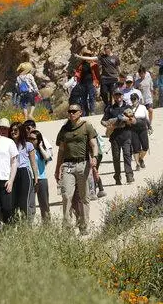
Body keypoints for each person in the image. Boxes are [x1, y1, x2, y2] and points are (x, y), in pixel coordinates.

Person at [55, 104, 98, 234]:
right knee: (66, 195)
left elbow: (93, 144)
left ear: (80, 112)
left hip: (83, 164)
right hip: (68, 165)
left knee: (84, 197)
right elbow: (61, 150)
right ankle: (67, 228)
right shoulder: (64, 129)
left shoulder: (86, 126)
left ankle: (84, 226)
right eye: (70, 111)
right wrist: (57, 168)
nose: (71, 113)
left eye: (74, 111)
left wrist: (94, 157)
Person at [101, 88, 136, 185]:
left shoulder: (128, 107)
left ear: (122, 96)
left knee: (127, 156)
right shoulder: (110, 108)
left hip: (126, 135)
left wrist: (127, 119)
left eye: (120, 95)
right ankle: (117, 177)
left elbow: (134, 121)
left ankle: (129, 176)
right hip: (114, 136)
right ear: (113, 97)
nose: (118, 97)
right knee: (116, 158)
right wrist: (109, 125)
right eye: (116, 95)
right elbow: (102, 121)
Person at [9, 122, 38, 221]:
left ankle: (27, 225)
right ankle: (14, 224)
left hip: (25, 172)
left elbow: (33, 163)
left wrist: (36, 178)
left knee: (24, 201)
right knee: (12, 201)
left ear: (21, 131)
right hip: (12, 173)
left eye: (15, 130)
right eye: (12, 130)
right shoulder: (8, 144)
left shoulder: (28, 145)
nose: (13, 132)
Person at [28, 131, 51, 221]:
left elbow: (47, 157)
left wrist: (40, 147)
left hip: (42, 178)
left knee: (44, 204)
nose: (31, 141)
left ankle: (47, 225)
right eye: (29, 139)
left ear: (38, 140)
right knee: (30, 204)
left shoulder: (41, 151)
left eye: (33, 139)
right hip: (30, 178)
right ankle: (29, 224)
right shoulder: (27, 150)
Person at [74, 47, 100, 116]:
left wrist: (97, 83)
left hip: (91, 83)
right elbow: (78, 73)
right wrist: (76, 78)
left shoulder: (94, 64)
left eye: (88, 55)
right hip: (82, 83)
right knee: (83, 98)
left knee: (92, 97)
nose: (87, 56)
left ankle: (92, 111)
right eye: (85, 54)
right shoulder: (81, 64)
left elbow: (97, 74)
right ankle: (85, 113)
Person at [130, 93, 151, 171]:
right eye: (132, 99)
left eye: (134, 99)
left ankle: (140, 158)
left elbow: (147, 118)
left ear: (138, 99)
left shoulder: (143, 107)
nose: (133, 101)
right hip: (133, 129)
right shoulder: (129, 108)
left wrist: (149, 127)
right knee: (136, 148)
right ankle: (137, 164)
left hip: (142, 128)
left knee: (145, 147)